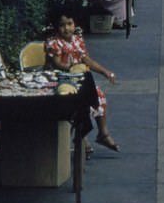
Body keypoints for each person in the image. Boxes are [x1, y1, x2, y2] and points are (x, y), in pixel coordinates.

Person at [45, 11, 120, 155]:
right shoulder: (53, 43)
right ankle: (82, 138)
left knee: (99, 97)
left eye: (69, 24)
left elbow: (87, 60)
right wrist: (72, 68)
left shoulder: (77, 40)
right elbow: (57, 63)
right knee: (79, 104)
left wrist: (105, 72)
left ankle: (103, 133)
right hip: (61, 79)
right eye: (62, 25)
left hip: (79, 78)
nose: (66, 28)